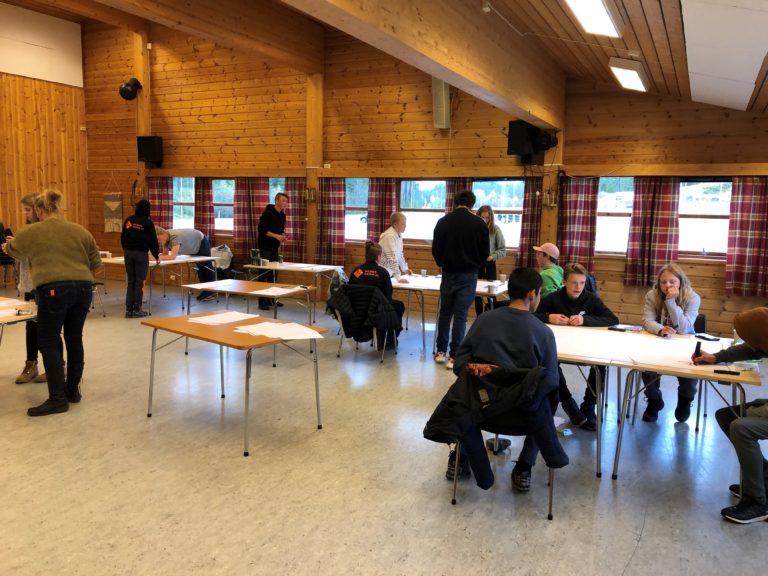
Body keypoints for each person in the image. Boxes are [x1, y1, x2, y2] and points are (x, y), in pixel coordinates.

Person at [447, 267, 568, 491]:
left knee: (463, 394)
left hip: (480, 410)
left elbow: (460, 366)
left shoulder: (483, 321)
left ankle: (460, 456)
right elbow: (551, 383)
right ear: (532, 294)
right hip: (525, 416)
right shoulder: (543, 332)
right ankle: (524, 466)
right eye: (540, 293)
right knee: (545, 402)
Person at [2, 190, 101, 416]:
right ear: (58, 208)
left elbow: (14, 250)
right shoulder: (80, 230)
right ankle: (72, 391)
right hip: (84, 289)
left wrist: (7, 246)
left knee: (47, 341)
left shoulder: (32, 231)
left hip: (53, 290)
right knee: (74, 338)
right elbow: (96, 262)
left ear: (39, 210)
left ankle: (57, 399)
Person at [693, 307, 768, 524]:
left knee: (741, 427)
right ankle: (763, 476)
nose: (749, 343)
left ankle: (757, 502)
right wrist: (715, 357)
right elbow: (748, 349)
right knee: (727, 416)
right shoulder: (764, 340)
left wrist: (756, 411)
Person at [535, 263, 618, 430]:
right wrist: (549, 317)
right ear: (564, 282)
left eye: (582, 283)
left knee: (601, 364)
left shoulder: (591, 299)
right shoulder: (553, 298)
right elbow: (532, 315)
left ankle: (589, 404)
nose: (578, 287)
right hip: (559, 345)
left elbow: (612, 319)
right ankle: (567, 401)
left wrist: (585, 320)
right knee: (549, 362)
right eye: (574, 283)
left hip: (586, 346)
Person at [8, 193, 63, 384]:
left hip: (44, 284)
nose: (25, 214)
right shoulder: (28, 230)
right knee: (31, 326)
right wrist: (13, 247)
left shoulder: (45, 230)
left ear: (38, 210)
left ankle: (57, 366)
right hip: (29, 285)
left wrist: (15, 248)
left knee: (49, 328)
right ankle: (31, 364)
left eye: (27, 210)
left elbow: (40, 255)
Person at [432, 189, 489, 370]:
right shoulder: (479, 224)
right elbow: (485, 252)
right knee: (460, 315)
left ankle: (440, 351)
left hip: (448, 273)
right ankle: (454, 356)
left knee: (445, 313)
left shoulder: (443, 222)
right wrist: (476, 265)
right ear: (472, 204)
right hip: (468, 274)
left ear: (455, 202)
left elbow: (436, 249)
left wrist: (442, 263)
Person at [640, 263, 701, 423]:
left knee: (690, 374)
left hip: (684, 343)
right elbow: (647, 321)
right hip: (659, 340)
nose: (667, 285)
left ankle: (685, 400)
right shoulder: (652, 295)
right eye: (663, 282)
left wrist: (671, 302)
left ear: (680, 282)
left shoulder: (693, 297)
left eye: (672, 281)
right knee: (646, 368)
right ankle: (654, 400)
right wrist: (661, 330)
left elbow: (684, 328)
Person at [348, 241, 405, 349]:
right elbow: (388, 296)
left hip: (357, 310)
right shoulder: (383, 273)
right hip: (377, 311)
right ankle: (390, 340)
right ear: (379, 257)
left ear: (366, 256)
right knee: (399, 306)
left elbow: (349, 291)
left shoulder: (357, 271)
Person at [120, 199, 160, 318]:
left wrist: (126, 249)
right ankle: (137, 309)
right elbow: (153, 241)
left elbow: (123, 236)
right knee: (139, 282)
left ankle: (128, 310)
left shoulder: (129, 220)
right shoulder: (148, 223)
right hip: (141, 254)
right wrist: (156, 255)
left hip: (128, 253)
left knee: (131, 281)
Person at [155, 226, 216, 301]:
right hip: (193, 243)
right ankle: (206, 290)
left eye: (158, 239)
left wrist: (157, 258)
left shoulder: (175, 237)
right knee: (200, 267)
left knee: (206, 266)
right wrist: (156, 256)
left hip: (201, 241)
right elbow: (165, 254)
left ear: (163, 234)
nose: (158, 241)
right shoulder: (165, 238)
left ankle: (211, 292)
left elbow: (172, 256)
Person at [257, 192, 289, 310]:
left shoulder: (282, 215)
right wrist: (277, 236)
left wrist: (283, 235)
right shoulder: (268, 213)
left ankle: (272, 299)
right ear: (276, 201)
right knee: (263, 273)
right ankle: (262, 301)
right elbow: (261, 229)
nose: (285, 203)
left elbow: (280, 230)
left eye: (286, 201)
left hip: (274, 247)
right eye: (283, 200)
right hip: (265, 246)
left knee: (274, 273)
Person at [474, 205, 506, 316]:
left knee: (491, 294)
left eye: (487, 218)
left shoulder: (495, 229)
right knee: (477, 295)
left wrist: (492, 257)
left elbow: (502, 250)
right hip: (477, 264)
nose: (484, 220)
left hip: (490, 264)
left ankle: (491, 317)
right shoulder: (474, 229)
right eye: (482, 217)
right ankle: (479, 318)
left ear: (491, 218)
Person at [379, 211, 412, 281]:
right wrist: (398, 277)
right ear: (395, 224)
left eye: (405, 224)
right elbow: (391, 257)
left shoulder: (399, 235)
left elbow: (399, 255)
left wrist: (405, 269)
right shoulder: (389, 236)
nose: (405, 226)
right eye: (403, 224)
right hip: (382, 272)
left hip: (389, 272)